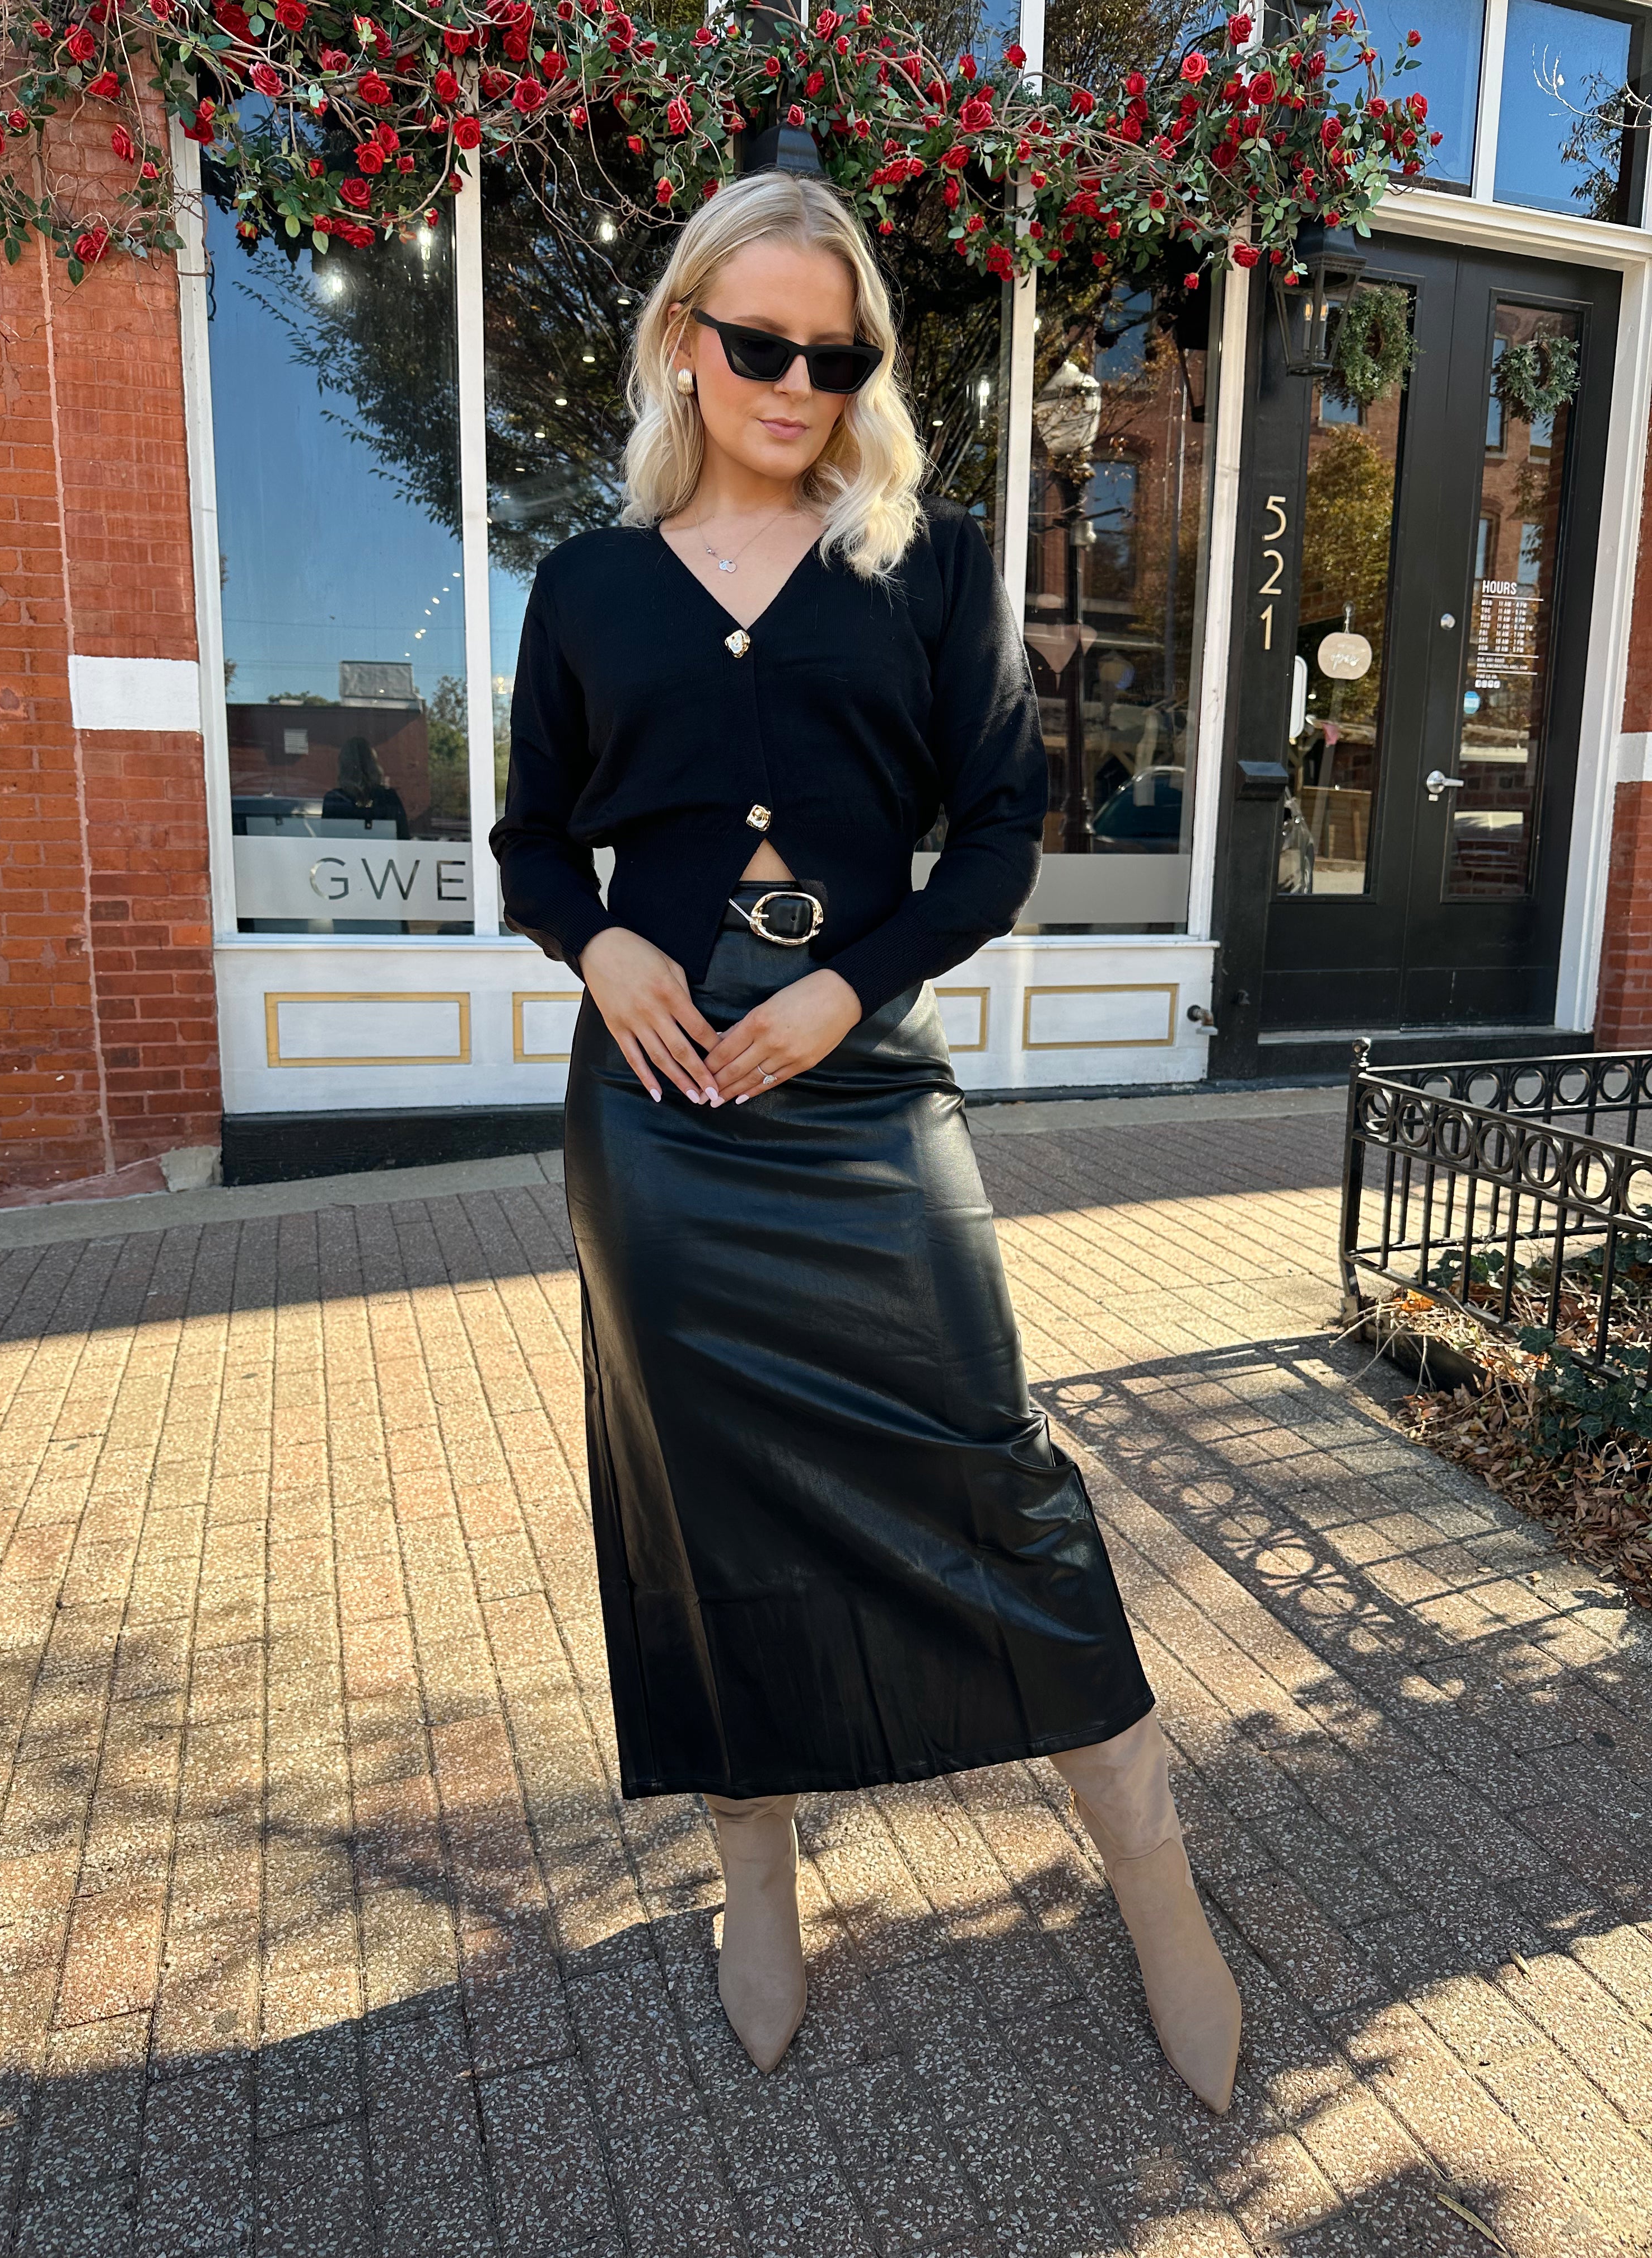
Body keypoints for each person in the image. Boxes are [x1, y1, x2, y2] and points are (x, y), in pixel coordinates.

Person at [489, 169, 1241, 2113]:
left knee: (990, 1462)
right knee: (700, 1503)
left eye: (837, 355)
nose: (797, 383)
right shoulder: (583, 587)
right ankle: (756, 1861)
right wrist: (604, 939)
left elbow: (999, 830)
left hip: (862, 1093)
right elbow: (526, 841)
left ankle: (1145, 1856)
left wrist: (853, 983)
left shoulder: (928, 562)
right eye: (759, 344)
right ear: (682, 339)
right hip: (660, 1124)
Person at [323, 734, 410, 837]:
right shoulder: (389, 798)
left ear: (343, 767)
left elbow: (328, 842)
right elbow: (403, 838)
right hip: (384, 853)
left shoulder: (334, 800)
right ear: (373, 765)